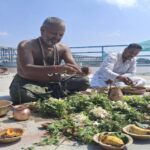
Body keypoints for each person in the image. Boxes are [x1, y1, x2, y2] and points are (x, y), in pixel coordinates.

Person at [9, 17, 91, 104]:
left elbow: (74, 66)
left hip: (55, 84)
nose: (57, 37)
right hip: (28, 84)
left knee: (84, 81)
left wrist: (82, 70)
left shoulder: (63, 47)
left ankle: (49, 97)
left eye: (61, 35)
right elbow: (26, 70)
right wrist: (57, 69)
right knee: (22, 94)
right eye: (53, 33)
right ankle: (55, 96)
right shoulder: (26, 45)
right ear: (42, 30)